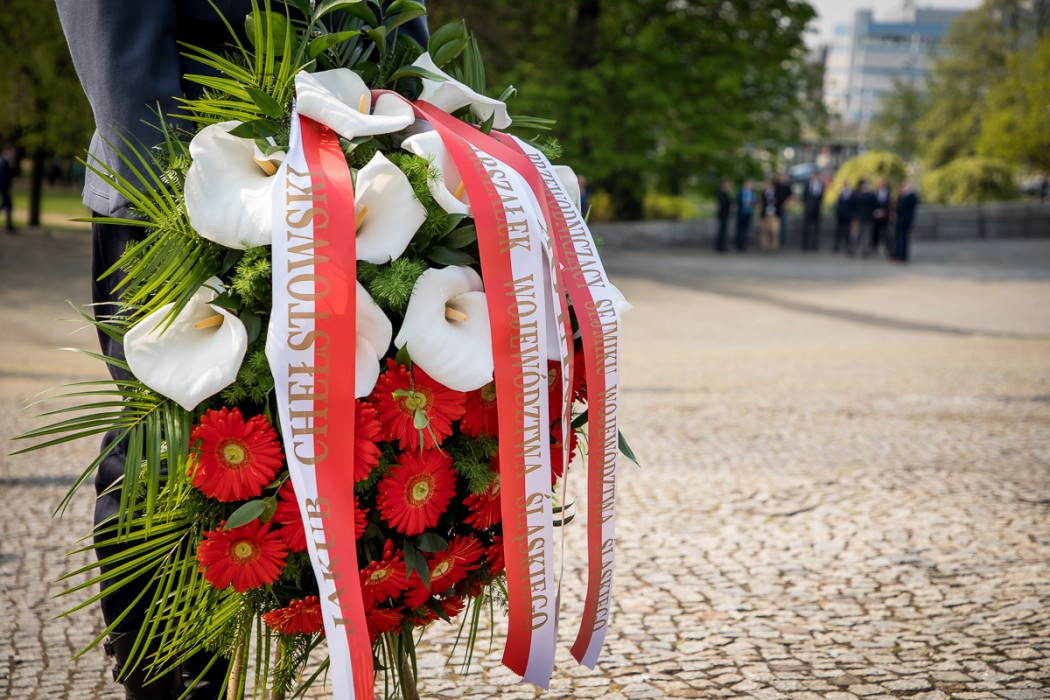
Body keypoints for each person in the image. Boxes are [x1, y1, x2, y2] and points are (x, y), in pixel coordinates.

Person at [55, 3, 428, 698]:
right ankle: (167, 684)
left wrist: (417, 137)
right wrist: (180, 194)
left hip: (345, 163)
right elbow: (118, 37)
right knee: (167, 447)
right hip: (185, 176)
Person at [894, 181, 919, 262]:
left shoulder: (910, 197)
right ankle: (901, 254)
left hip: (903, 220)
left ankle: (901, 255)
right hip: (906, 219)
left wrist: (901, 196)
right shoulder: (912, 196)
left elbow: (900, 207)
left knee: (902, 238)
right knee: (903, 237)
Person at [800, 170, 824, 251]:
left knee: (816, 228)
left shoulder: (821, 185)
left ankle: (814, 245)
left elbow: (821, 197)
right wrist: (807, 205)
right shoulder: (807, 184)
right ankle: (805, 245)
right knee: (806, 227)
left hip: (817, 209)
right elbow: (804, 196)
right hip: (808, 209)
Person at [851, 178, 875, 256]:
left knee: (866, 235)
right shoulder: (857, 194)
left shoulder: (870, 195)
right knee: (857, 234)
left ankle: (864, 250)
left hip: (866, 217)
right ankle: (854, 249)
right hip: (859, 217)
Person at [871, 178, 892, 257]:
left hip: (885, 217)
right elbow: (872, 204)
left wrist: (884, 212)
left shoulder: (889, 193)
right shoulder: (874, 193)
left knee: (886, 233)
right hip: (875, 217)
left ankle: (887, 248)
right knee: (875, 233)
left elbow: (890, 205)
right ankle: (874, 248)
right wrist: (876, 212)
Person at [759, 179, 779, 252]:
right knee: (764, 231)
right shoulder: (763, 193)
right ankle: (764, 246)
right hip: (765, 214)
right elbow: (761, 203)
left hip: (774, 214)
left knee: (775, 231)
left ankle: (774, 246)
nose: (768, 186)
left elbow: (778, 201)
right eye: (767, 185)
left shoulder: (776, 193)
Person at [833, 181, 854, 253]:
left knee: (848, 232)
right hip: (840, 216)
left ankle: (848, 246)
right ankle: (837, 245)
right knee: (839, 231)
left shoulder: (851, 194)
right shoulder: (841, 194)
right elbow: (838, 206)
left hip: (848, 216)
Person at [734, 180, 755, 252]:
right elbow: (737, 201)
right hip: (741, 213)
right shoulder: (741, 192)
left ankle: (743, 244)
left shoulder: (752, 194)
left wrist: (752, 204)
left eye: (751, 185)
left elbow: (754, 203)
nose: (750, 187)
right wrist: (744, 202)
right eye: (749, 185)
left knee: (745, 229)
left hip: (748, 213)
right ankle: (738, 244)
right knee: (740, 229)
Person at [774, 171, 792, 248]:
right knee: (775, 227)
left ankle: (782, 242)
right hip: (775, 209)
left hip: (783, 209)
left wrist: (786, 204)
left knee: (783, 226)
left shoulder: (787, 186)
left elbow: (790, 197)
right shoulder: (775, 185)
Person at [714, 179, 732, 253]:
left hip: (725, 215)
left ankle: (720, 246)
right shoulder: (721, 193)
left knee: (723, 231)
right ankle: (720, 246)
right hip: (723, 215)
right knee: (722, 231)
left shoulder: (725, 193)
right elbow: (723, 205)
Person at [0, 146, 15, 233]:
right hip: (4, 187)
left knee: (6, 205)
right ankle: (9, 226)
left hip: (4, 186)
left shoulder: (4, 160)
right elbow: (4, 176)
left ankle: (9, 225)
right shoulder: (5, 161)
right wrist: (8, 187)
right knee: (7, 205)